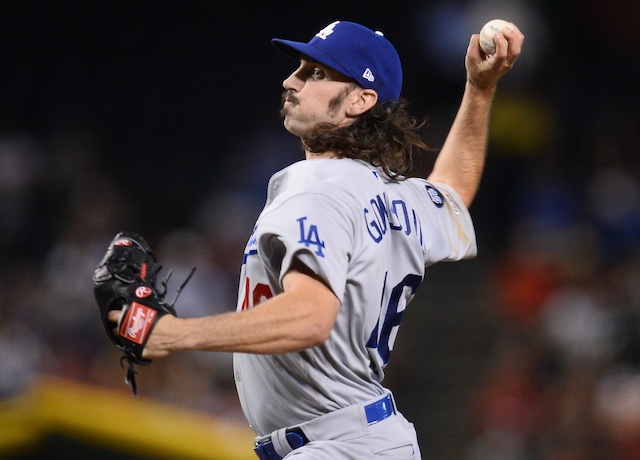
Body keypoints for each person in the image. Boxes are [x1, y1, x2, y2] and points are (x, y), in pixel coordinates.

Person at [110, 19, 524, 459]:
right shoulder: (393, 194)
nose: (291, 81)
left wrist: (172, 333)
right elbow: (453, 192)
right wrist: (479, 90)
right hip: (365, 440)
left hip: (336, 445)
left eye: (317, 73)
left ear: (361, 100)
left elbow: (310, 315)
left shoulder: (317, 186)